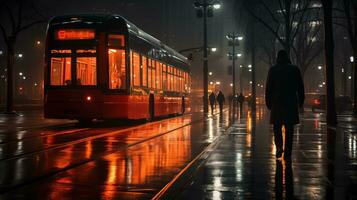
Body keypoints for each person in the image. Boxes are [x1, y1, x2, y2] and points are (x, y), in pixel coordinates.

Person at [265, 50, 305, 161]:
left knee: (277, 127)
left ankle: (279, 147)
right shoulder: (294, 69)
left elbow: (268, 88)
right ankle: (288, 153)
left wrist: (268, 102)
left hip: (277, 103)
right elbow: (300, 87)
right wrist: (301, 102)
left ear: (278, 58)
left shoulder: (273, 70)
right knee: (289, 129)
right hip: (291, 103)